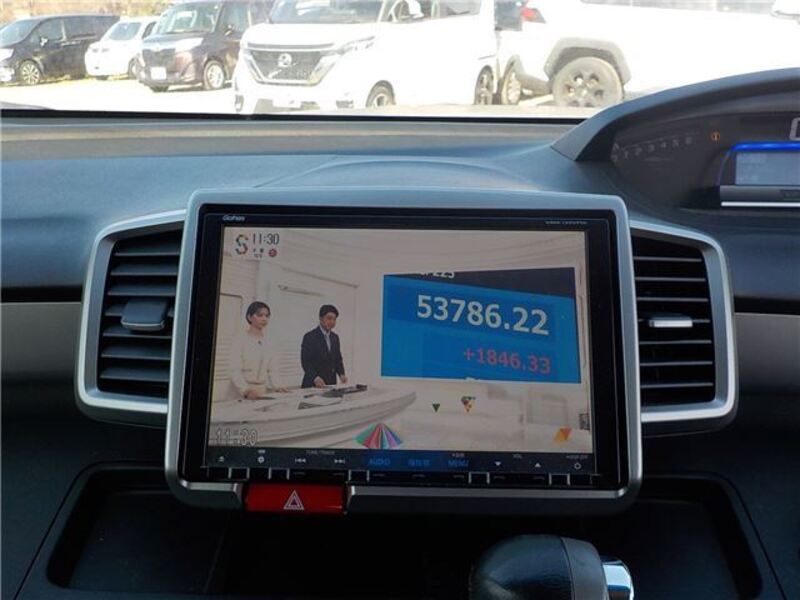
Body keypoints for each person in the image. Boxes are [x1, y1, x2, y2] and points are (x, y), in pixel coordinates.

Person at [228, 301, 285, 400]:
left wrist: (278, 386)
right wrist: (245, 390)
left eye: (267, 316)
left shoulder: (269, 341)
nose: (264, 319)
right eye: (260, 315)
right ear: (249, 317)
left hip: (262, 390)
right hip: (241, 391)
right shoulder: (240, 339)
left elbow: (273, 370)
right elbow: (234, 370)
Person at [301, 304, 348, 388]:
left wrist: (341, 374)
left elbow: (338, 359)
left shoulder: (335, 337)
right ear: (321, 318)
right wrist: (315, 378)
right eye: (329, 318)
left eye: (334, 319)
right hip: (313, 384)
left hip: (330, 383)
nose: (332, 322)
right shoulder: (310, 337)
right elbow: (306, 362)